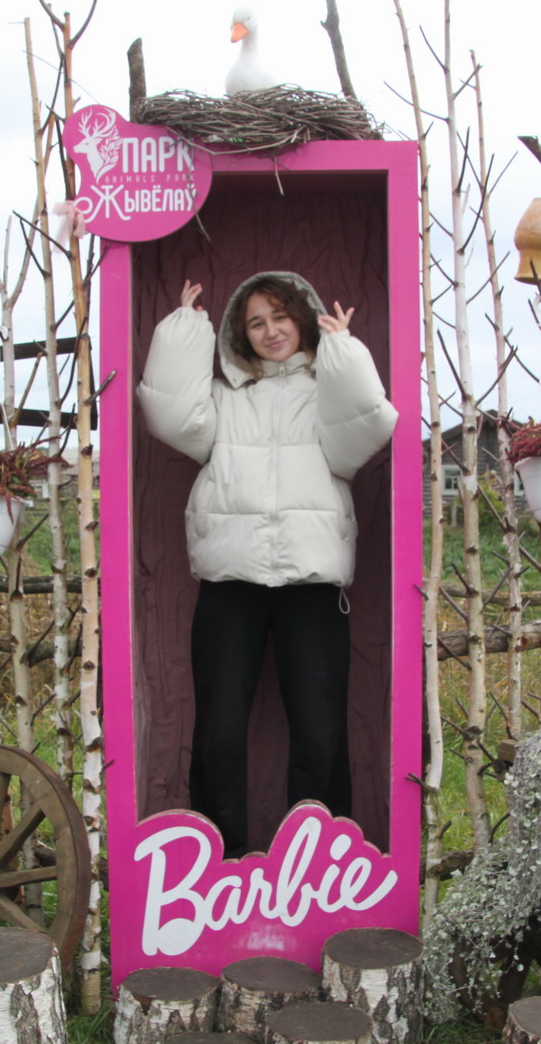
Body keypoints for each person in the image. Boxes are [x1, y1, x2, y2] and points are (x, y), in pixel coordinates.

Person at [137, 271, 397, 855]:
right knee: (219, 731)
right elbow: (171, 418)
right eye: (256, 322)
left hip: (312, 583)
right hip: (230, 581)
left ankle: (317, 863)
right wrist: (184, 333)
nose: (271, 331)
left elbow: (365, 429)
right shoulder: (224, 396)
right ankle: (218, 861)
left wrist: (343, 354)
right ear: (240, 333)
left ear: (301, 319)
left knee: (320, 732)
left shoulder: (326, 391)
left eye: (280, 316)